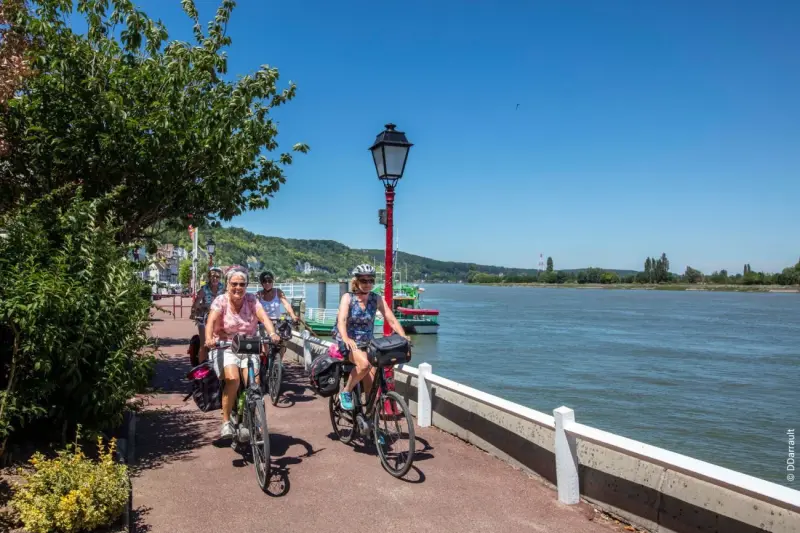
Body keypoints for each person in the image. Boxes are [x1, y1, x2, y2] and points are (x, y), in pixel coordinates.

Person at [205, 266, 281, 438]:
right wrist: (209, 338)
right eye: (234, 284)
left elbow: (263, 317)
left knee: (254, 383)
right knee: (233, 379)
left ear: (246, 286)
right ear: (227, 285)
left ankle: (253, 417)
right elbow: (211, 321)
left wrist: (273, 333)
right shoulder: (220, 301)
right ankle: (225, 422)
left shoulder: (252, 300)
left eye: (242, 284)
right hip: (225, 345)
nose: (238, 287)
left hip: (248, 345)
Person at [332, 264, 408, 411]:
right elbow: (341, 320)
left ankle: (371, 426)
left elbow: (391, 319)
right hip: (349, 342)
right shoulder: (348, 297)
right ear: (356, 281)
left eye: (371, 280)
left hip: (367, 342)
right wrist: (346, 338)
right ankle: (346, 392)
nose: (367, 284)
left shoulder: (376, 298)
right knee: (365, 365)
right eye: (363, 280)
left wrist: (403, 337)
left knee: (372, 388)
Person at [191, 267, 224, 364]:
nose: (215, 279)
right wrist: (195, 311)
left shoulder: (223, 288)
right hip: (204, 316)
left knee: (220, 342)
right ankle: (202, 368)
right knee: (204, 343)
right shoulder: (204, 289)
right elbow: (196, 304)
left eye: (217, 277)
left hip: (218, 317)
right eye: (213, 276)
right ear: (209, 277)